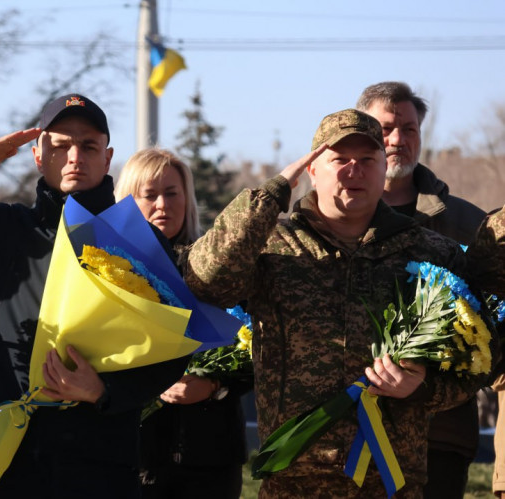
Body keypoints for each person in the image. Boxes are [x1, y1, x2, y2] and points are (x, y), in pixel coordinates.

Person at [0, 93, 189, 496]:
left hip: (103, 466)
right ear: (38, 156)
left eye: (89, 146)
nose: (75, 157)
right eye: (60, 146)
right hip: (10, 465)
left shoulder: (137, 241)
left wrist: (103, 391)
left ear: (107, 158)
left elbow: (175, 348)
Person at [186, 108, 491, 497]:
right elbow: (207, 281)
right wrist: (272, 192)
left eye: (367, 159)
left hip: (390, 481)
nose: (354, 170)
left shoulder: (431, 254)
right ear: (312, 170)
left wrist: (422, 386)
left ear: (384, 170)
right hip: (293, 480)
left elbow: (479, 358)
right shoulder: (271, 247)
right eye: (340, 159)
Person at [355, 81, 488, 498]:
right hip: (342, 433)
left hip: (439, 437)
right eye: (386, 128)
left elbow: (495, 335)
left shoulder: (468, 224)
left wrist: (427, 382)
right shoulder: (329, 219)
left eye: (409, 129)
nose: (398, 139)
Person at [115, 148, 249, 499]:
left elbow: (257, 344)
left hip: (212, 460)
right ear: (128, 201)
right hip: (135, 455)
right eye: (149, 195)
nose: (162, 204)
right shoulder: (108, 273)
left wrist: (216, 384)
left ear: (187, 199)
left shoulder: (222, 267)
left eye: (172, 193)